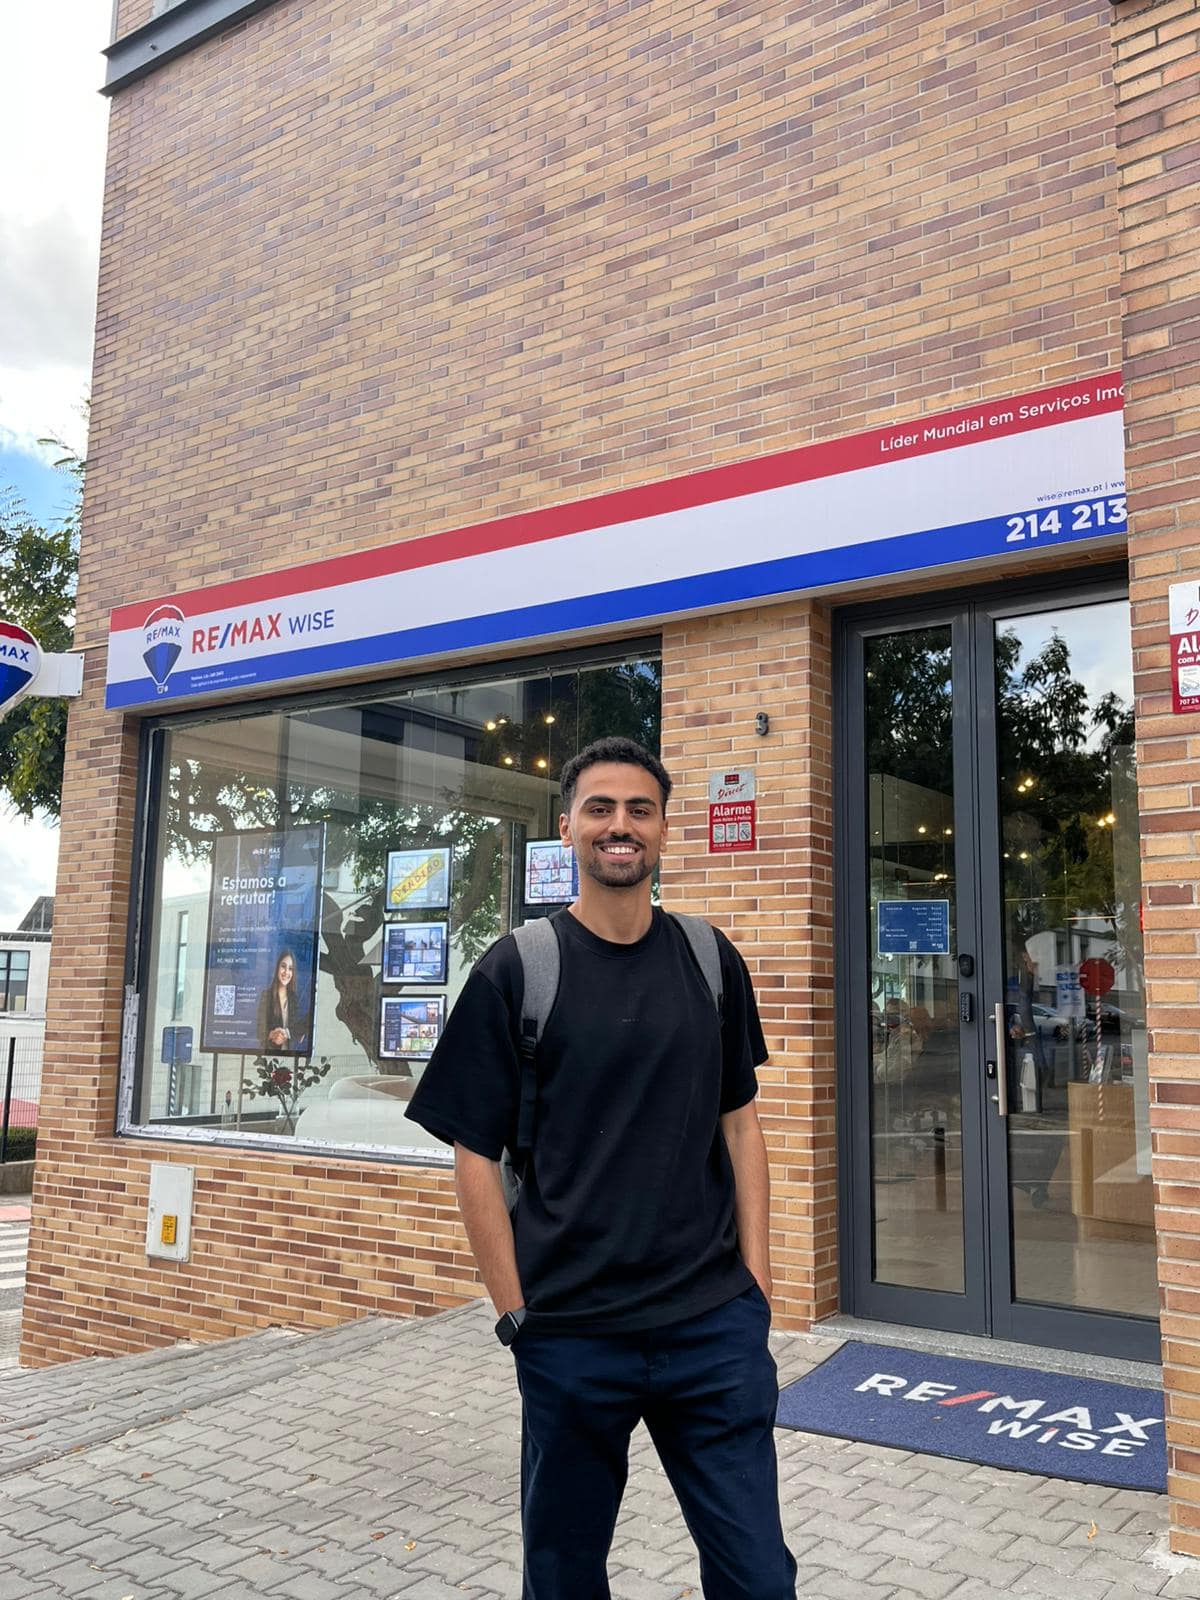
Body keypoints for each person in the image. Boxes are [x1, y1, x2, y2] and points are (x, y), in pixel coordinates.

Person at [405, 736, 797, 1600]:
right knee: (565, 1578)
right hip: (571, 1334)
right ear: (568, 829)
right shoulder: (518, 970)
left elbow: (741, 1126)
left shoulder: (709, 959)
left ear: (663, 830)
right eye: (601, 808)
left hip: (710, 1329)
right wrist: (514, 1314)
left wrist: (756, 1287)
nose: (621, 826)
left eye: (639, 810)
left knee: (760, 1579)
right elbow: (473, 1154)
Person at [255, 948, 306, 1053]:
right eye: (283, 966)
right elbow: (259, 1032)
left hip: (289, 1054)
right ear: (277, 968)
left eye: (290, 968)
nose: (286, 972)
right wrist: (272, 1034)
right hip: (271, 1054)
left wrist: (298, 1032)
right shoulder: (267, 995)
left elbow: (296, 1030)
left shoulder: (294, 998)